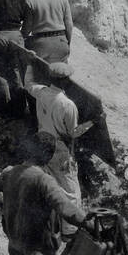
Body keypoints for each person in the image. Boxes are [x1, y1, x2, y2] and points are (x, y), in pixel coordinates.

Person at [26, 61, 91, 237]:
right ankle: (69, 231)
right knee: (71, 191)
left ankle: (48, 223)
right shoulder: (67, 105)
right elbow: (74, 132)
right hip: (59, 149)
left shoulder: (41, 91)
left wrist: (30, 64)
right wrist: (93, 122)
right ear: (65, 81)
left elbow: (28, 84)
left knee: (49, 182)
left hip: (41, 144)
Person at [23, 0, 74, 64]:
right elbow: (69, 25)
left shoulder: (30, 1)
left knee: (40, 74)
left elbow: (27, 28)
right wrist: (67, 43)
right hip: (61, 42)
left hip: (40, 44)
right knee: (61, 73)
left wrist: (22, 38)